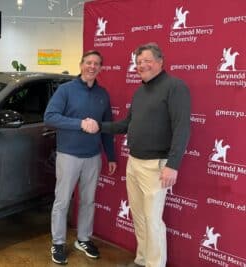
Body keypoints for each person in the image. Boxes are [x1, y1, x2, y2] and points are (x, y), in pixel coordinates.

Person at [85, 43, 191, 267]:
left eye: (147, 60)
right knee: (140, 217)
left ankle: (155, 264)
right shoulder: (140, 90)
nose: (142, 65)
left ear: (160, 62)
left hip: (157, 166)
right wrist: (99, 126)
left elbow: (182, 128)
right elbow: (126, 124)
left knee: (153, 221)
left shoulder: (175, 87)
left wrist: (173, 165)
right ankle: (142, 260)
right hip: (134, 162)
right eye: (139, 62)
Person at [44, 50, 117, 265]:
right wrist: (79, 124)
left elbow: (106, 129)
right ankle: (58, 242)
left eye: (96, 64)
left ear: (100, 68)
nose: (92, 67)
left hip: (93, 157)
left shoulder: (103, 94)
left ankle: (83, 239)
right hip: (68, 156)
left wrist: (111, 156)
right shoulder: (65, 90)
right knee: (62, 201)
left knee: (88, 201)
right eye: (88, 63)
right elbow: (50, 117)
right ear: (81, 64)